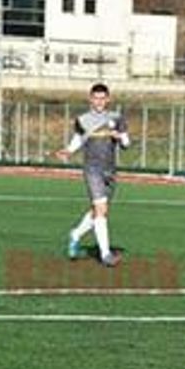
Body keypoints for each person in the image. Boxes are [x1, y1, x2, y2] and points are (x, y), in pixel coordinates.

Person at [57, 83, 131, 267]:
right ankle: (105, 255)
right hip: (92, 170)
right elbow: (78, 139)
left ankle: (75, 234)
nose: (99, 101)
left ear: (108, 99)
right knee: (101, 210)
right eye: (96, 98)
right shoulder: (82, 120)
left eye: (102, 98)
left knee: (97, 211)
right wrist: (69, 150)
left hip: (110, 170)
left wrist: (119, 137)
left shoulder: (116, 117)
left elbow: (127, 143)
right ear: (90, 99)